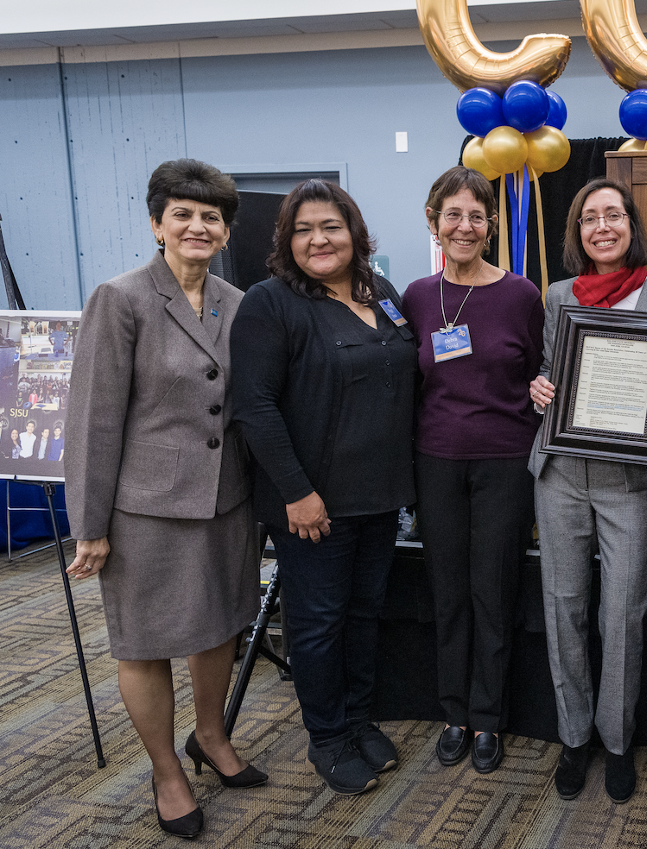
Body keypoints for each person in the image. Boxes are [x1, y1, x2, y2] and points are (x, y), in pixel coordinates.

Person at [64, 158, 264, 839]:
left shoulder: (239, 302)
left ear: (226, 230)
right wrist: (90, 524)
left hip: (227, 501)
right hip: (144, 510)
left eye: (211, 216)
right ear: (157, 224)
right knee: (144, 643)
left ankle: (210, 736)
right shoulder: (120, 299)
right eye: (182, 214)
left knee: (219, 627)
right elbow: (93, 420)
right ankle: (165, 771)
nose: (197, 226)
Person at [230, 179, 416, 797]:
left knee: (364, 615)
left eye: (331, 227)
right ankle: (328, 738)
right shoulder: (270, 303)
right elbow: (254, 406)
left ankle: (358, 720)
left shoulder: (380, 292)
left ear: (355, 233)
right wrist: (297, 492)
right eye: (304, 229)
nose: (319, 240)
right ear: (287, 240)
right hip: (312, 502)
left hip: (379, 495)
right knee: (317, 626)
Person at [528, 178, 647, 803]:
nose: (603, 227)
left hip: (629, 483)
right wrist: (539, 389)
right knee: (563, 606)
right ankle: (574, 737)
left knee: (623, 614)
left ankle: (617, 740)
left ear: (630, 225)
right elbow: (552, 370)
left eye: (613, 215)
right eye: (590, 217)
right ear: (578, 231)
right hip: (563, 475)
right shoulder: (559, 295)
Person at [401, 166, 544, 775]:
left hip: (505, 463)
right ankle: (453, 712)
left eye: (476, 216)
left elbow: (541, 372)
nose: (464, 226)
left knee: (494, 590)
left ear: (492, 226)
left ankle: (488, 717)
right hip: (435, 462)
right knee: (448, 592)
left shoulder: (521, 295)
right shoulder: (414, 297)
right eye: (452, 215)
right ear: (433, 222)